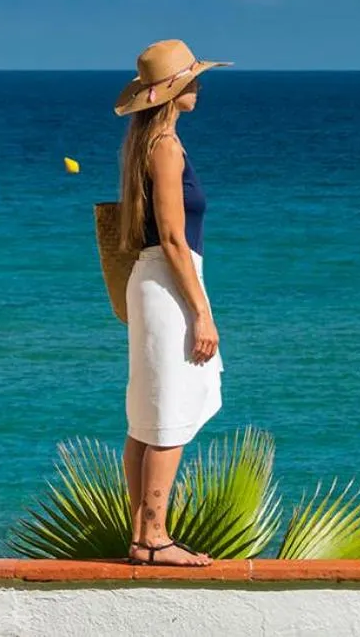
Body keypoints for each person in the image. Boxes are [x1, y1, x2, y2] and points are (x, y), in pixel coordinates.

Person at [115, 38, 230, 567]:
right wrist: (202, 311)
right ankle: (155, 536)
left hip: (153, 280)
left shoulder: (145, 141)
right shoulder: (165, 145)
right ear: (175, 90)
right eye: (192, 78)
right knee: (169, 412)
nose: (200, 85)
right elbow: (173, 237)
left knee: (148, 413)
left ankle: (143, 535)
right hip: (169, 281)